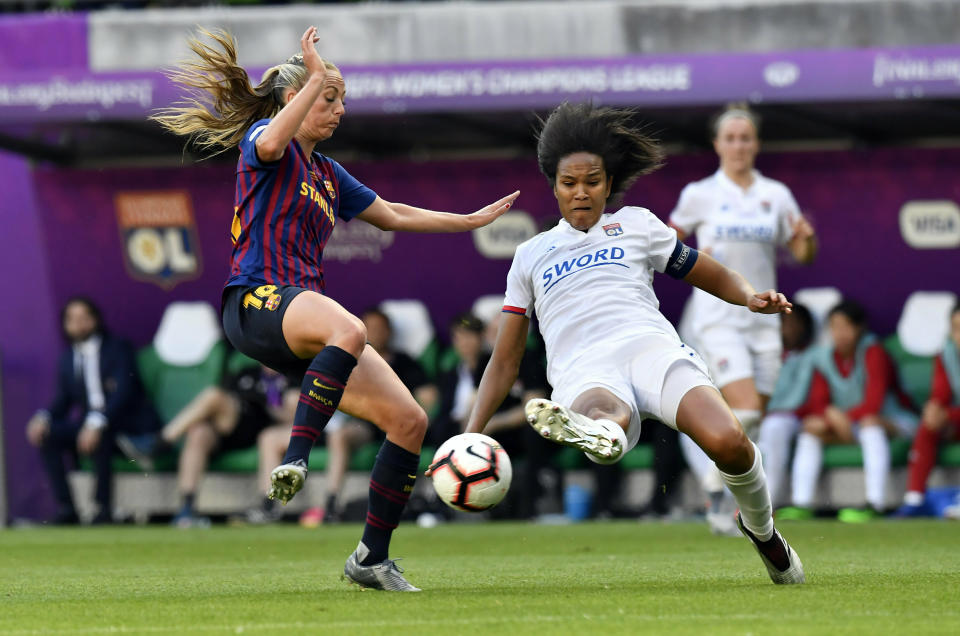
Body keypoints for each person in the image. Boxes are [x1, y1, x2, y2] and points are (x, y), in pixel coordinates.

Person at [153, 26, 518, 591]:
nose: (340, 110)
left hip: (301, 318)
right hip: (254, 303)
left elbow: (392, 214)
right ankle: (297, 457)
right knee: (347, 326)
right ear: (295, 100)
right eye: (330, 98)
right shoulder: (263, 143)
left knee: (409, 421)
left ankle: (371, 558)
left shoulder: (326, 173)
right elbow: (273, 144)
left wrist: (465, 221)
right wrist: (313, 78)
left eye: (340, 99)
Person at [448, 102, 804, 585]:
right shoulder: (530, 256)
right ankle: (599, 432)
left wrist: (746, 295)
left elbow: (703, 269)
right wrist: (471, 432)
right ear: (553, 185)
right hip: (584, 368)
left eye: (591, 181)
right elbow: (506, 357)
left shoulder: (637, 225)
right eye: (569, 183)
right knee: (603, 414)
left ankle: (761, 531)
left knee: (730, 442)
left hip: (651, 349)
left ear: (608, 183)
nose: (580, 193)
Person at [669, 105, 818, 535]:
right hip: (719, 316)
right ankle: (730, 498)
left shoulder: (776, 193)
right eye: (730, 138)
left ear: (756, 143)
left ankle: (719, 494)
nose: (738, 145)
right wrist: (694, 260)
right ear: (717, 144)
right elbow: (666, 244)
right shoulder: (700, 193)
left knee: (752, 417)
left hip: (765, 317)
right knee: (746, 407)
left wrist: (807, 240)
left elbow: (804, 254)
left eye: (746, 138)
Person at [25, 297, 161, 524]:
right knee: (48, 436)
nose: (78, 324)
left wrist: (97, 421)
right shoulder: (68, 358)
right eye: (72, 319)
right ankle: (67, 508)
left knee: (99, 433)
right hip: (89, 425)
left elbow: (123, 394)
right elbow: (63, 401)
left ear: (95, 319)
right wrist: (43, 418)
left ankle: (103, 509)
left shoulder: (118, 348)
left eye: (83, 318)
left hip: (125, 424)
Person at [780, 299, 918, 522]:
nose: (840, 333)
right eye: (835, 327)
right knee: (810, 432)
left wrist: (837, 419)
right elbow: (818, 401)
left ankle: (875, 503)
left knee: (870, 425)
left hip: (895, 421)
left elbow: (873, 404)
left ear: (859, 328)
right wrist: (828, 419)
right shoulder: (824, 357)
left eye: (846, 327)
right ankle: (801, 503)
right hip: (850, 426)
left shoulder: (874, 352)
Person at [300, 307, 437, 525]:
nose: (375, 333)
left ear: (390, 332)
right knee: (339, 435)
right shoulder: (352, 359)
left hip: (397, 421)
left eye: (380, 328)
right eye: (370, 328)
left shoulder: (404, 361)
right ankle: (331, 503)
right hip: (363, 423)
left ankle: (409, 507)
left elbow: (429, 397)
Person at [162, 363, 297, 528]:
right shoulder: (247, 373)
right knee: (198, 433)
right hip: (229, 428)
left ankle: (162, 441)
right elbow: (230, 394)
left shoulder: (292, 376)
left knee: (213, 396)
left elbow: (293, 414)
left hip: (259, 428)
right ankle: (187, 507)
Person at [896, 302, 960, 516]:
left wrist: (948, 415)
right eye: (956, 328)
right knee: (928, 424)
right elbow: (941, 393)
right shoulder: (947, 354)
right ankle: (915, 499)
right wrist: (934, 409)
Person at [756, 304, 817, 507]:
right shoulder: (767, 355)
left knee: (774, 426)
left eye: (793, 323)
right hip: (764, 415)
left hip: (796, 417)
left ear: (805, 326)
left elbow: (802, 398)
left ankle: (768, 502)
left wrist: (768, 412)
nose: (787, 329)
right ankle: (727, 500)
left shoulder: (813, 355)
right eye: (783, 323)